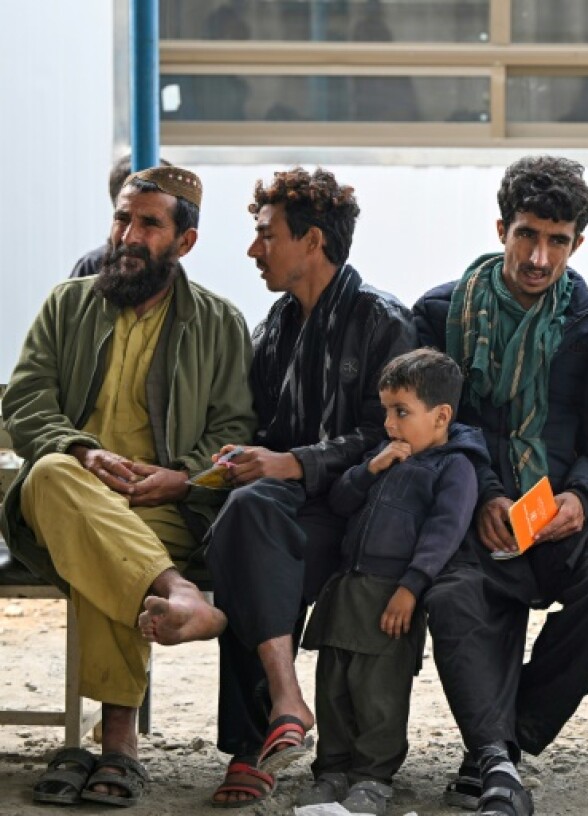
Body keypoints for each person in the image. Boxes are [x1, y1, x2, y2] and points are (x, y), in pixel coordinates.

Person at [0, 166, 255, 807]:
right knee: (56, 471)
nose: (127, 234)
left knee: (114, 544)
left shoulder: (219, 323)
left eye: (148, 223)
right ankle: (173, 605)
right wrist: (81, 449)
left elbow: (233, 428)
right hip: (58, 497)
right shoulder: (67, 303)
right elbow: (26, 400)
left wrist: (182, 478)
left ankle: (100, 748)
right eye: (122, 218)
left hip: (160, 506)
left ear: (184, 242)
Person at [413, 155, 588, 816]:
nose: (539, 257)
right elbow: (435, 426)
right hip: (472, 512)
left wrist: (583, 498)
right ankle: (495, 761)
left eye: (557, 240)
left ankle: (506, 743)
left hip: (559, 514)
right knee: (452, 602)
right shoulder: (440, 315)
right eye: (527, 235)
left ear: (578, 243)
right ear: (501, 228)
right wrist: (482, 493)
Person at [204, 167, 416, 807]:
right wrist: (228, 463)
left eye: (266, 235)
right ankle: (284, 704)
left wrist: (293, 462)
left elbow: (393, 439)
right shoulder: (274, 328)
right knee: (245, 515)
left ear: (314, 241)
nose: (253, 249)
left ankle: (255, 740)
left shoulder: (383, 323)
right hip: (284, 512)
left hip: (360, 514)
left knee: (249, 535)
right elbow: (262, 432)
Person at [295, 349, 489, 816]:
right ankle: (332, 769)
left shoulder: (455, 467)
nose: (389, 423)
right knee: (334, 682)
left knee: (378, 692)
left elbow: (444, 531)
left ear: (441, 416)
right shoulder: (382, 458)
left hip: (391, 596)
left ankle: (372, 777)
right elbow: (340, 502)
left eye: (401, 412)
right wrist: (370, 469)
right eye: (386, 411)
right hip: (347, 589)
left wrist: (411, 587)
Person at [71, 154, 170, 279]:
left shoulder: (168, 266)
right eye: (123, 218)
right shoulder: (91, 267)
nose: (131, 237)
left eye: (150, 222)